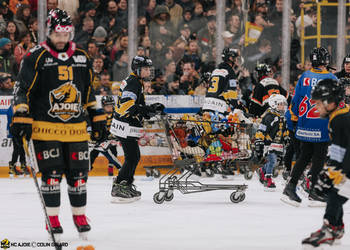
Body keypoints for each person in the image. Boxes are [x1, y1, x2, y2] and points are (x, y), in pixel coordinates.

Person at [11, 9, 106, 240]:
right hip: (46, 128)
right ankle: (52, 219)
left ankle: (80, 216)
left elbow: (88, 92)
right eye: (58, 34)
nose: (62, 39)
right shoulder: (35, 56)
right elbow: (22, 89)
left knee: (79, 176)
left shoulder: (82, 57)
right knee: (51, 175)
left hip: (76, 129)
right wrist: (22, 116)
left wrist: (98, 118)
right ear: (50, 32)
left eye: (66, 34)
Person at [281, 47, 338, 207]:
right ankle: (314, 190)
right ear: (325, 60)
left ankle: (291, 187)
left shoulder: (304, 76)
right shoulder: (331, 78)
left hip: (305, 125)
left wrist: (294, 119)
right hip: (321, 125)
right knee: (319, 157)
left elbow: (296, 100)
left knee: (304, 156)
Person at [109, 55, 164, 203]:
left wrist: (148, 110)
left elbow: (136, 105)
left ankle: (125, 183)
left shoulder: (136, 81)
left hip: (126, 125)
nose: (148, 71)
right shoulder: (133, 82)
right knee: (132, 157)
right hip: (124, 126)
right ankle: (120, 185)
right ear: (137, 69)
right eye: (145, 69)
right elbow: (128, 105)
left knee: (133, 157)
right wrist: (146, 110)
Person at [302, 79, 349, 248]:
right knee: (334, 191)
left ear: (330, 102)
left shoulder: (340, 119)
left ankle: (330, 229)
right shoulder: (338, 117)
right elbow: (339, 150)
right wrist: (331, 172)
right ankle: (335, 228)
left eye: (318, 103)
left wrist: (337, 173)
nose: (315, 107)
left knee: (336, 194)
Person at [254, 94, 289, 190]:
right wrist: (259, 140)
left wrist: (286, 137)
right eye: (280, 104)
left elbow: (284, 129)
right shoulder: (269, 117)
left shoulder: (283, 117)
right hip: (268, 143)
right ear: (274, 105)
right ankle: (267, 178)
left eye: (283, 104)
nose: (283, 106)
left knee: (274, 161)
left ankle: (262, 170)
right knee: (272, 160)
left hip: (277, 143)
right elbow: (262, 129)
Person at [202, 47, 240, 115]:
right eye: (235, 58)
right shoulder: (230, 72)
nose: (236, 60)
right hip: (218, 107)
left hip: (206, 104)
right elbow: (232, 94)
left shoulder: (215, 70)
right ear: (231, 58)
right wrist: (237, 107)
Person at [90, 95, 121, 177]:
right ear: (103, 106)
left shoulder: (116, 114)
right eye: (107, 106)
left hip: (110, 137)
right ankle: (86, 170)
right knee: (93, 154)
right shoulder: (98, 114)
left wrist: (116, 136)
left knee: (113, 152)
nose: (110, 108)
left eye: (111, 106)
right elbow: (93, 127)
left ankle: (112, 167)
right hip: (100, 138)